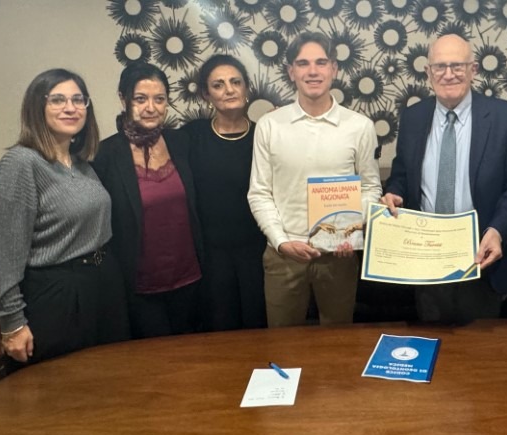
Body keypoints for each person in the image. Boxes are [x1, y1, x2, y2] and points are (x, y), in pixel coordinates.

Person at [382, 34, 507, 324]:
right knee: (432, 338)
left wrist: (498, 230)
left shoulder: (506, 117)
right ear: (428, 72)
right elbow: (402, 173)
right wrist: (394, 191)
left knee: (481, 346)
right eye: (440, 66)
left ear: (473, 69)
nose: (449, 74)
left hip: (481, 257)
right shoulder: (413, 117)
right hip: (426, 257)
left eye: (457, 66)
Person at [0, 69, 130, 369]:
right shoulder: (21, 163)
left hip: (102, 283)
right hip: (58, 292)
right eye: (58, 100)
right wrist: (12, 323)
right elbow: (0, 251)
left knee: (110, 376)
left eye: (78, 100)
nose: (70, 108)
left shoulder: (81, 163)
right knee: (60, 383)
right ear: (37, 107)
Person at [248, 32, 382, 328]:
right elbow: (259, 193)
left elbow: (371, 188)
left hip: (339, 256)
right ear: (291, 71)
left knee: (338, 341)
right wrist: (281, 242)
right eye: (303, 63)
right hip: (284, 255)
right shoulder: (270, 125)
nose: (313, 71)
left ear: (334, 68)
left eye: (321, 62)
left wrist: (350, 229)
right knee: (282, 343)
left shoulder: (359, 127)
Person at [93, 62, 203, 338]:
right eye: (140, 99)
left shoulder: (182, 142)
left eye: (159, 99)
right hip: (139, 285)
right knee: (153, 358)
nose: (151, 107)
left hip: (190, 277)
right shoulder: (105, 155)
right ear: (124, 99)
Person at [182, 54, 267, 331]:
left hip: (258, 250)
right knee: (220, 331)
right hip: (210, 255)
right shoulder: (192, 136)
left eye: (235, 82)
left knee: (259, 325)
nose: (229, 90)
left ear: (246, 88)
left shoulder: (264, 136)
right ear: (206, 94)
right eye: (218, 85)